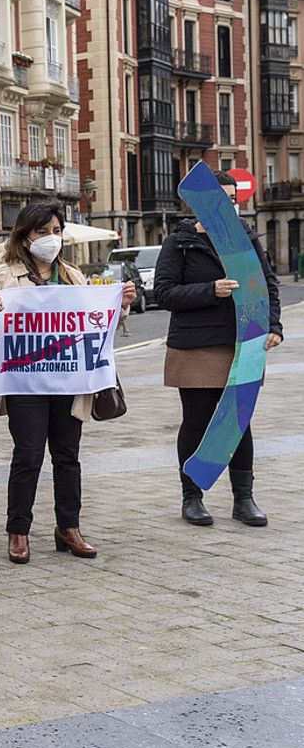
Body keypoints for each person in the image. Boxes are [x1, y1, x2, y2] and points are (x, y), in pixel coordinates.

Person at [0, 202, 136, 564]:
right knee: (28, 456)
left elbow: (97, 325)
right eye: (42, 232)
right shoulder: (3, 276)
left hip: (67, 382)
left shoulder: (74, 276)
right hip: (24, 384)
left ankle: (69, 527)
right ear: (25, 236)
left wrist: (120, 306)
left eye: (56, 231)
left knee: (68, 457)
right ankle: (18, 530)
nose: (50, 239)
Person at [155, 170, 283, 527]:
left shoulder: (245, 237)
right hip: (195, 345)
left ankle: (244, 499)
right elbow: (163, 293)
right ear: (201, 203)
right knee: (197, 421)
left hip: (243, 343)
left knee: (239, 421)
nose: (228, 206)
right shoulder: (179, 242)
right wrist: (210, 290)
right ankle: (192, 497)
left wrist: (274, 326)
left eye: (232, 200)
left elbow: (267, 283)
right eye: (220, 200)